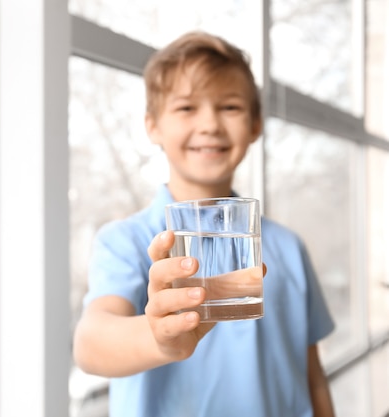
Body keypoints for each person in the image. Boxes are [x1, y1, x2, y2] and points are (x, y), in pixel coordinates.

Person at [72, 31, 336, 417]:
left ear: (255, 125)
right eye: (186, 108)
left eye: (229, 107)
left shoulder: (288, 247)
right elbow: (90, 344)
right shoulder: (126, 242)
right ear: (153, 126)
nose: (210, 124)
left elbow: (311, 374)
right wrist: (159, 339)